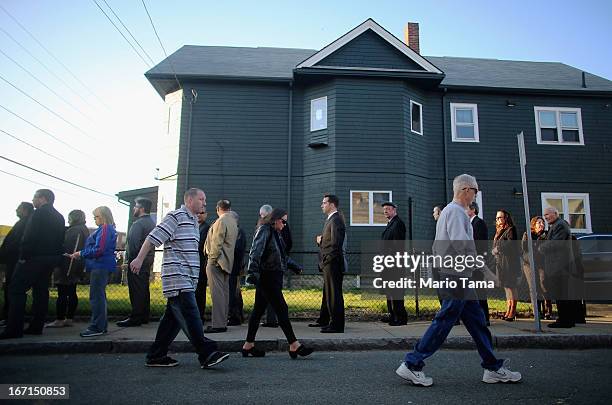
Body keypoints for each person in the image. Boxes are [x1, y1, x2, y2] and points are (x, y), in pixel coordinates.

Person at [395, 174, 521, 387]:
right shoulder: (455, 212)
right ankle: (412, 363)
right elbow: (462, 247)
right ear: (465, 189)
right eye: (475, 190)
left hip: (458, 276)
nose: (476, 195)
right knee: (444, 321)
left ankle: (492, 368)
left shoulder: (451, 212)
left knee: (477, 323)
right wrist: (488, 273)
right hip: (455, 277)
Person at [130, 188, 229, 369]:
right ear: (190, 200)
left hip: (188, 279)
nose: (204, 203)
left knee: (172, 320)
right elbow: (153, 237)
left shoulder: (193, 222)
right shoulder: (175, 217)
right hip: (178, 278)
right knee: (192, 316)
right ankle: (206, 353)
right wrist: (139, 258)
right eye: (201, 199)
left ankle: (156, 355)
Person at [242, 208, 312, 359]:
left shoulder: (275, 233)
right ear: (275, 219)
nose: (285, 224)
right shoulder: (264, 230)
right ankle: (294, 345)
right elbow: (255, 252)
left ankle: (248, 345)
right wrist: (252, 273)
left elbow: (282, 256)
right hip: (267, 277)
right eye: (284, 221)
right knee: (282, 308)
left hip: (272, 276)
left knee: (258, 310)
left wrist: (295, 266)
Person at [0, 190, 65, 339]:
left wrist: (23, 256)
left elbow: (29, 236)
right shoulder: (59, 217)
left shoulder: (37, 214)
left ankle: (14, 328)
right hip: (51, 259)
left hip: (34, 258)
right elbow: (61, 239)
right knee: (41, 291)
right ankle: (37, 326)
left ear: (43, 198)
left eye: (35, 197)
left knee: (16, 289)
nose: (33, 200)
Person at [70, 206, 117, 337]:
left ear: (103, 217)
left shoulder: (105, 229)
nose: (94, 219)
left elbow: (99, 249)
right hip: (101, 265)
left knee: (96, 297)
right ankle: (100, 325)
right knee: (99, 296)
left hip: (100, 265)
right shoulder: (107, 229)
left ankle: (97, 326)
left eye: (96, 216)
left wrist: (81, 253)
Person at [46, 210, 89, 328]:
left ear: (73, 218)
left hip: (68, 265)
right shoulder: (84, 229)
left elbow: (70, 249)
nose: (68, 220)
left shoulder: (74, 230)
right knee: (72, 292)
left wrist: (66, 266)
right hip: (77, 265)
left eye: (69, 218)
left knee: (62, 293)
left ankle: (60, 319)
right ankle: (69, 318)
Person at [309, 194, 346, 333]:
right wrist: (322, 239)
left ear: (332, 204)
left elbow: (336, 245)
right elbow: (330, 241)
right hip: (329, 263)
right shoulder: (331, 220)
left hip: (332, 264)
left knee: (334, 295)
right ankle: (327, 321)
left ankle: (336, 325)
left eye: (324, 203)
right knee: (329, 294)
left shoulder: (336, 220)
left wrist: (326, 261)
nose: (322, 205)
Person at [118, 198, 156, 327]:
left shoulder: (138, 224)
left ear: (142, 209)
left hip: (137, 261)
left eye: (135, 207)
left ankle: (136, 317)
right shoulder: (151, 223)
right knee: (143, 289)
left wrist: (129, 261)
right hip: (147, 260)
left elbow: (133, 245)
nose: (134, 209)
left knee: (136, 290)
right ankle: (144, 315)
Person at [204, 199, 238, 333]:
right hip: (227, 262)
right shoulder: (233, 222)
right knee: (224, 294)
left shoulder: (221, 221)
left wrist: (211, 261)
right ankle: (222, 322)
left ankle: (218, 324)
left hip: (217, 262)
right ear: (229, 208)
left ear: (218, 209)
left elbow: (217, 243)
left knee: (217, 294)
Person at [540, 207, 576, 328]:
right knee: (562, 294)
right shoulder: (556, 225)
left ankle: (565, 320)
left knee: (561, 294)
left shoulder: (560, 225)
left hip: (560, 265)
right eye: (544, 215)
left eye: (548, 215)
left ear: (556, 214)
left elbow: (555, 243)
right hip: (558, 265)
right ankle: (568, 319)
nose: (545, 217)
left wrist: (541, 247)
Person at [0, 202, 34, 327]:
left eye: (18, 208)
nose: (16, 210)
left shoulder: (24, 224)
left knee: (13, 289)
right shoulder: (24, 223)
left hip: (15, 261)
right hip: (15, 260)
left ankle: (11, 319)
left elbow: (15, 243)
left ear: (24, 210)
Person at [380, 201, 407, 326]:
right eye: (384, 209)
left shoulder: (398, 224)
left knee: (396, 291)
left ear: (394, 210)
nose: (385, 211)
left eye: (388, 209)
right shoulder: (390, 223)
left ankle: (400, 317)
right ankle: (393, 315)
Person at [521, 216, 553, 320]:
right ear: (533, 225)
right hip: (529, 264)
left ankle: (548, 310)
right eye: (539, 222)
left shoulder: (547, 235)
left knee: (544, 285)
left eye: (542, 222)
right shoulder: (528, 234)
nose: (541, 224)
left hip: (543, 264)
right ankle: (537, 312)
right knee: (534, 288)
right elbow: (524, 248)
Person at [492, 210, 521, 321]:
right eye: (496, 218)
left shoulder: (510, 230)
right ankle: (508, 309)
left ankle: (513, 311)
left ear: (506, 218)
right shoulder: (499, 230)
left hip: (509, 262)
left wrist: (498, 249)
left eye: (500, 217)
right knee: (506, 287)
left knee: (511, 286)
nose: (498, 220)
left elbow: (510, 244)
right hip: (501, 262)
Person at [467, 201, 490, 325]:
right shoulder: (470, 224)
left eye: (466, 209)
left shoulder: (479, 223)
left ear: (473, 210)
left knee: (479, 290)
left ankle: (484, 317)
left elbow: (479, 244)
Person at [227, 211, 246, 326]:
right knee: (234, 292)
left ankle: (235, 316)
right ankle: (237, 315)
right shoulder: (237, 232)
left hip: (234, 266)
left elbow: (237, 249)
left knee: (233, 292)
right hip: (234, 266)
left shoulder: (238, 232)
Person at [195, 206, 210, 323]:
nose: (199, 215)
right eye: (198, 213)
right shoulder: (194, 227)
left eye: (202, 213)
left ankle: (200, 315)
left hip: (201, 264)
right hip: (194, 263)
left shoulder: (206, 228)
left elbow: (200, 246)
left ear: (206, 214)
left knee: (200, 291)